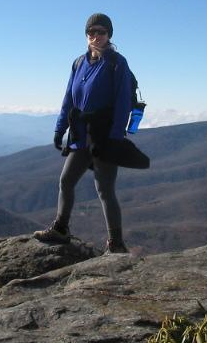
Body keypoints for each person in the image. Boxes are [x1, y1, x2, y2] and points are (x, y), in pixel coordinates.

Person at [33, 13, 133, 254]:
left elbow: (123, 104)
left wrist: (115, 139)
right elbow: (69, 97)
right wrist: (60, 128)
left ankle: (116, 244)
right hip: (80, 135)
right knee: (66, 181)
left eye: (101, 31)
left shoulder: (117, 63)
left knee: (104, 190)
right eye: (91, 32)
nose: (95, 36)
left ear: (109, 34)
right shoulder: (79, 63)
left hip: (105, 136)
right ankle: (61, 228)